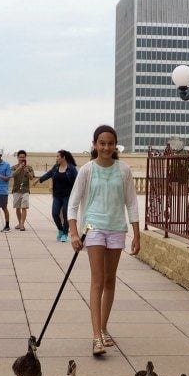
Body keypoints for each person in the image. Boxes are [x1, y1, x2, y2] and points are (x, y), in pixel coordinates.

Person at [67, 125, 140, 355]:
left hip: (117, 228)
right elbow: (73, 203)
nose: (106, 147)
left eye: (110, 143)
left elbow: (131, 202)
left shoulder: (124, 170)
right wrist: (74, 232)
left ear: (115, 145)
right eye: (102, 143)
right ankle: (96, 336)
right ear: (95, 145)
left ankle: (104, 327)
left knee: (110, 280)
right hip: (93, 228)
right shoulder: (87, 170)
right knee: (97, 280)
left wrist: (137, 234)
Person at [33, 150, 77, 242]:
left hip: (67, 196)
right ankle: (60, 230)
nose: (56, 158)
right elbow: (49, 174)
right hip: (57, 195)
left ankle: (65, 234)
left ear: (63, 157)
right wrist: (38, 180)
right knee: (55, 213)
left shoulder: (71, 168)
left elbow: (77, 181)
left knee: (65, 214)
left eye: (58, 156)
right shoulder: (56, 167)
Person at [11, 150, 36, 231]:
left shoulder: (29, 167)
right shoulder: (14, 167)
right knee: (17, 208)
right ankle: (19, 222)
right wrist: (19, 168)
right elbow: (12, 175)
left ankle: (22, 224)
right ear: (17, 158)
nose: (22, 158)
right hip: (16, 190)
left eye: (23, 157)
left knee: (24, 207)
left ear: (25, 158)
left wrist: (27, 171)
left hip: (25, 190)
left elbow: (32, 177)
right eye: (20, 157)